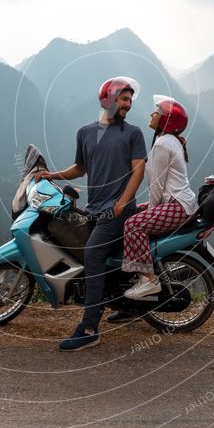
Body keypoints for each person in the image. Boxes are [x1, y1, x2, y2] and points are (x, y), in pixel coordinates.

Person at [35, 77, 146, 350]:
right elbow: (80, 168)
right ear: (107, 98)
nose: (128, 105)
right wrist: (53, 176)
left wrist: (122, 202)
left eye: (130, 100)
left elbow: (139, 170)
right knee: (80, 247)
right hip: (95, 209)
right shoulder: (85, 132)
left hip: (118, 211)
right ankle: (128, 303)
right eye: (124, 99)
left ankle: (89, 328)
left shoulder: (133, 133)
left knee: (93, 254)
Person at [121, 95, 198, 298]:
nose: (152, 113)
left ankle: (148, 279)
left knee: (133, 224)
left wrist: (152, 209)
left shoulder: (163, 143)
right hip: (179, 203)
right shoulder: (170, 141)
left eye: (157, 111)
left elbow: (156, 185)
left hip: (177, 205)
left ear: (167, 120)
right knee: (134, 212)